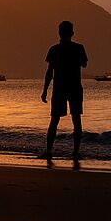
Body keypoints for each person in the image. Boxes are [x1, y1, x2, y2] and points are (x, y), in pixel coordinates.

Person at [41, 20, 88, 169]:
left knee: (54, 120)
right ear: (72, 33)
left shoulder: (54, 50)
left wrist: (44, 90)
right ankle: (75, 152)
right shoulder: (79, 48)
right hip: (74, 88)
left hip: (59, 88)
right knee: (76, 120)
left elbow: (49, 72)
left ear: (59, 33)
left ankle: (49, 151)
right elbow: (84, 64)